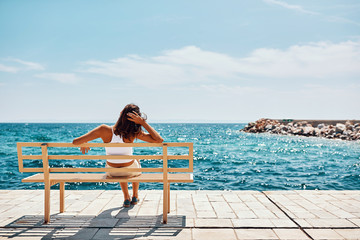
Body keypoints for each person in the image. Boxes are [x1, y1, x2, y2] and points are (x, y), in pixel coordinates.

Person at [72, 104, 163, 207]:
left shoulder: (104, 129)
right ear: (136, 119)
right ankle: (135, 195)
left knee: (119, 164)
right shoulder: (133, 133)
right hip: (129, 171)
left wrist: (85, 141)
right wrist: (143, 123)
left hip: (112, 171)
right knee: (135, 160)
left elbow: (75, 142)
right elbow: (159, 140)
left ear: (120, 114)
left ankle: (126, 197)